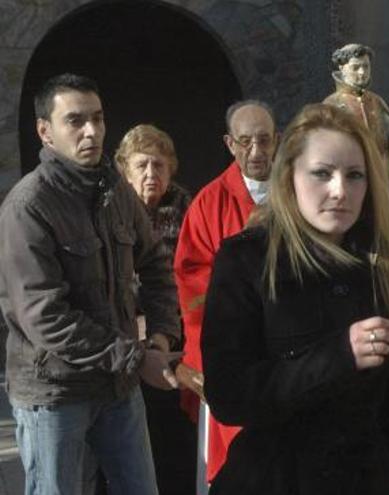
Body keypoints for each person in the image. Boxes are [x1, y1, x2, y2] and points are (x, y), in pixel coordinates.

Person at [200, 103, 389, 494]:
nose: (340, 190)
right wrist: (338, 355)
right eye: (322, 173)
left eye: (354, 175)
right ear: (290, 175)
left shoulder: (375, 265)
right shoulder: (247, 260)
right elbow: (229, 395)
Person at [0, 73, 181, 495]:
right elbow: (46, 318)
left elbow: (155, 263)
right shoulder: (28, 207)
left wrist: (159, 337)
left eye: (98, 119)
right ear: (45, 132)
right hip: (55, 392)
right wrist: (136, 359)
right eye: (76, 121)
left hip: (117, 386)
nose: (92, 131)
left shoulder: (115, 190)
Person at [173, 100, 278, 491]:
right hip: (237, 351)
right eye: (246, 142)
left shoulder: (300, 189)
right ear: (229, 144)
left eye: (265, 140)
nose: (256, 152)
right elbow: (191, 278)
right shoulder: (208, 203)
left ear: (278, 140)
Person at [115, 124, 196, 495]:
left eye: (159, 166)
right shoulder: (111, 210)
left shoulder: (185, 206)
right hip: (123, 336)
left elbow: (194, 268)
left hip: (174, 331)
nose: (152, 175)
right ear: (125, 170)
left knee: (174, 436)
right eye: (143, 166)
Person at [323, 43, 389, 156]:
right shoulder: (332, 104)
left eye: (366, 66)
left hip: (379, 167)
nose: (362, 72)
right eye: (355, 67)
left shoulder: (375, 101)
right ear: (342, 69)